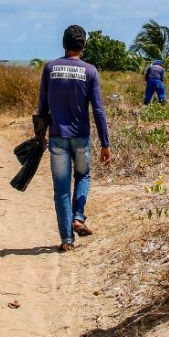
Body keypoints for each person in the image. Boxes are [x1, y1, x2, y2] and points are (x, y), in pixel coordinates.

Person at [36, 25, 112, 252]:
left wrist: (39, 137)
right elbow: (98, 109)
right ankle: (78, 216)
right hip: (81, 137)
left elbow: (42, 106)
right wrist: (105, 143)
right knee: (84, 176)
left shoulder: (50, 68)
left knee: (60, 191)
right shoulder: (90, 71)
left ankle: (67, 240)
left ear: (63, 44)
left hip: (57, 138)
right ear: (84, 45)